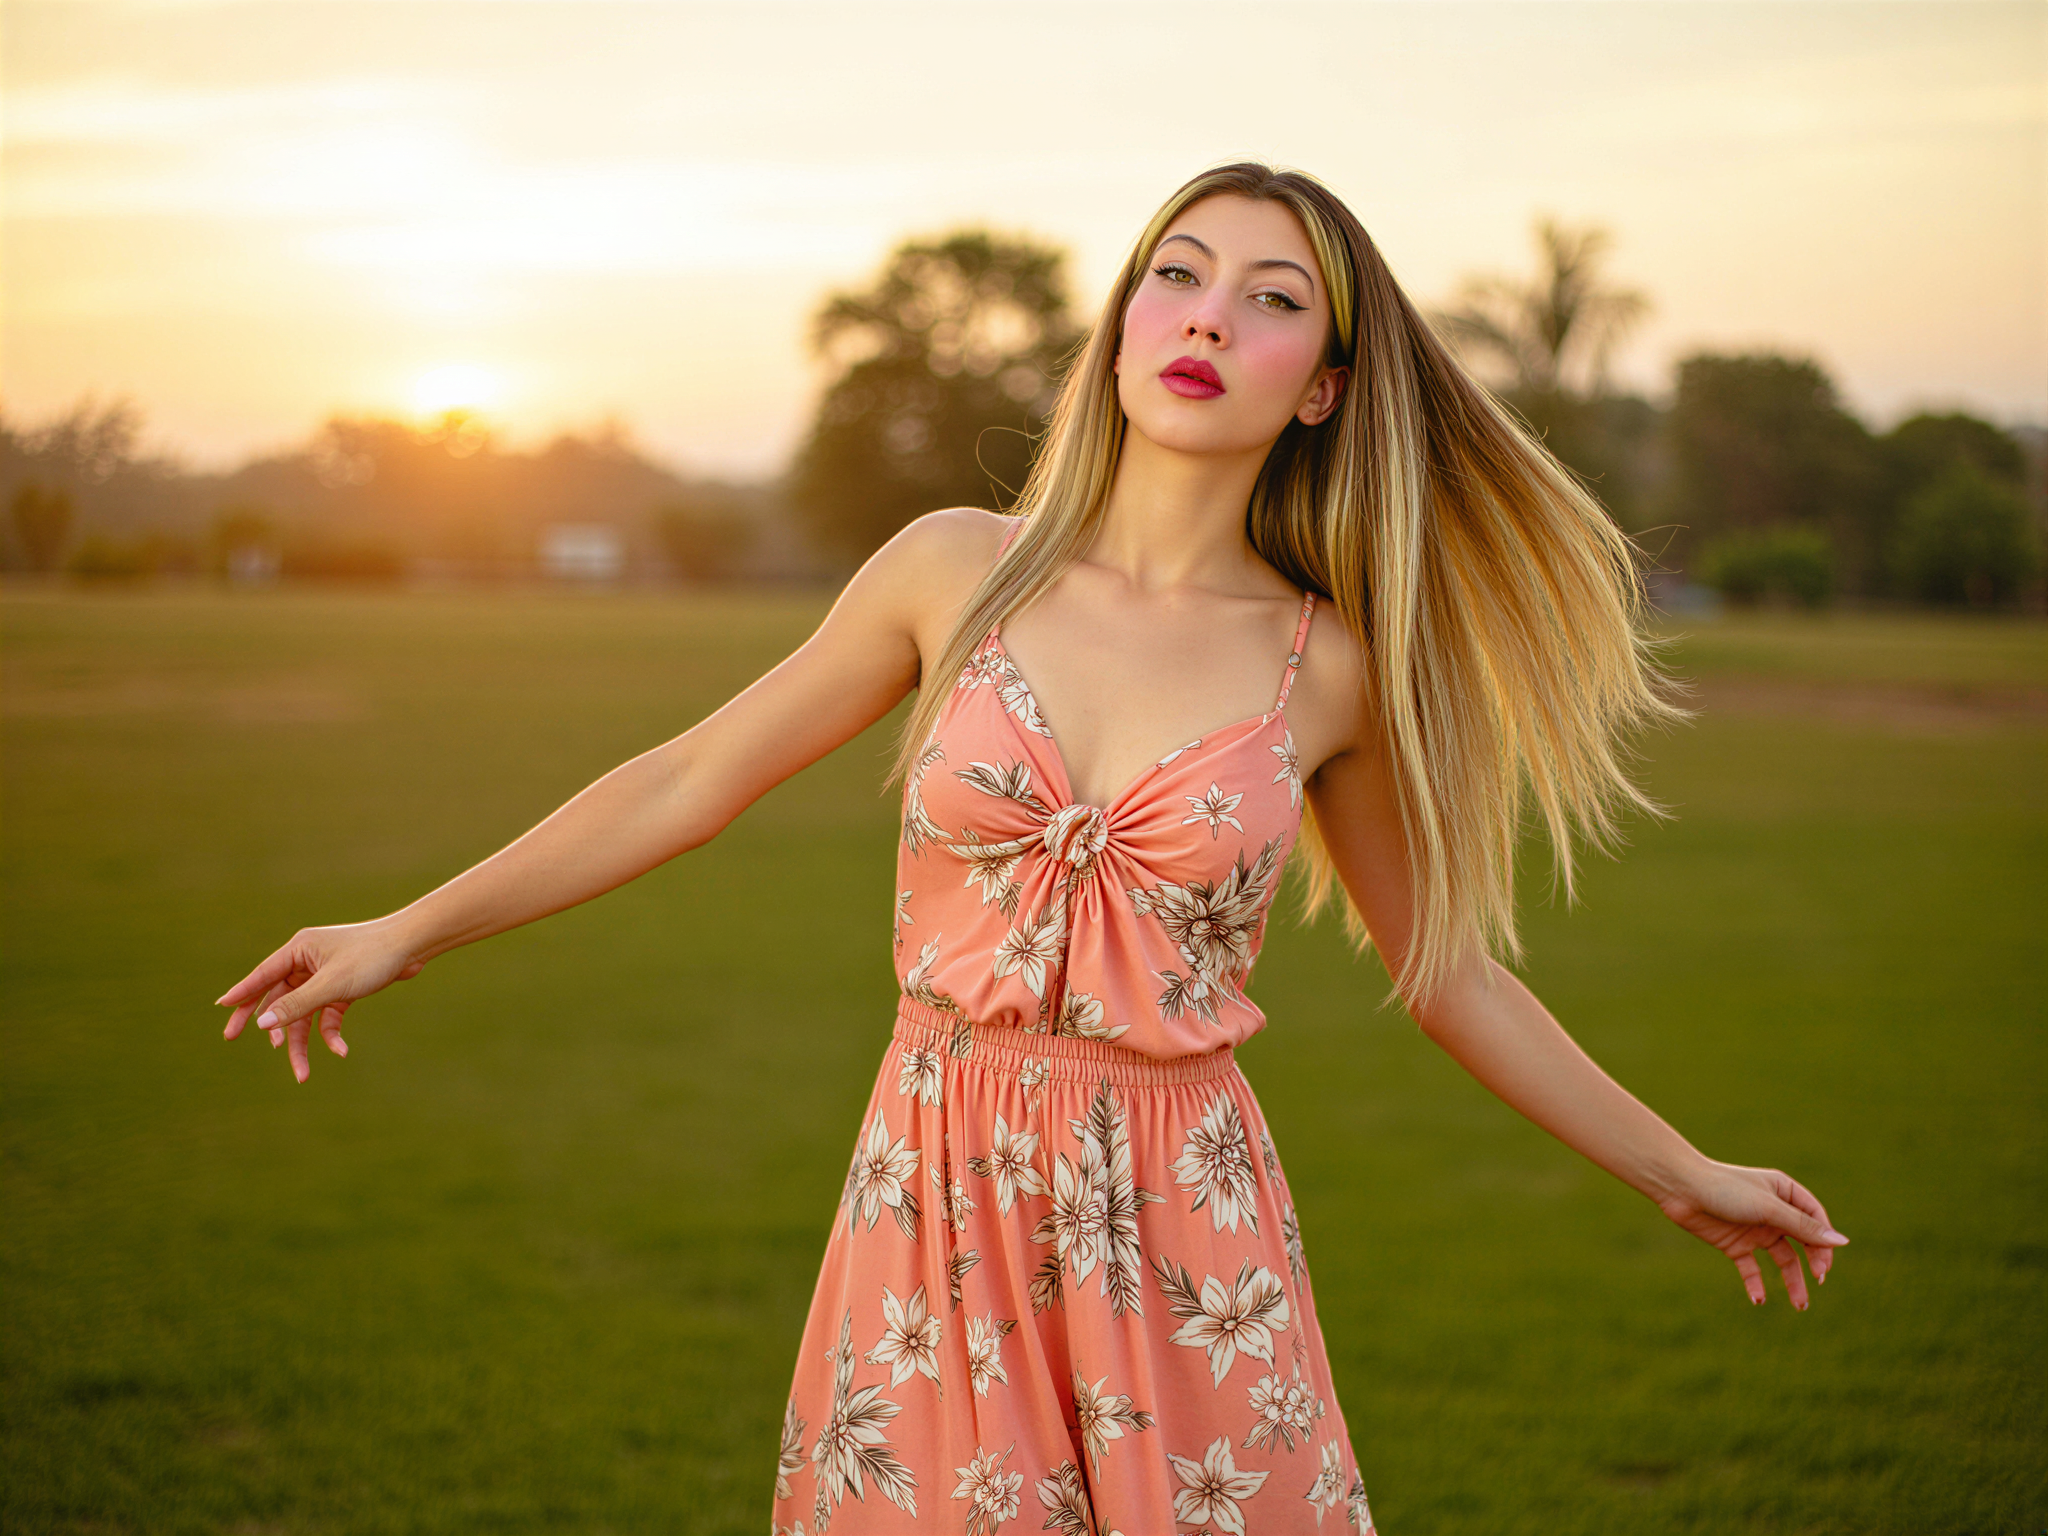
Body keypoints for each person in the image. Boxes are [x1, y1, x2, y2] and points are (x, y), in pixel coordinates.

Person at [217, 162, 1846, 1535]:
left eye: (1276, 299)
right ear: (1126, 321)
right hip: (932, 1196)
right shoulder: (955, 571)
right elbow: (690, 776)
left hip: (1189, 1234)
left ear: (1325, 385)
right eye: (1179, 274)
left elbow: (1450, 975)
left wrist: (1680, 1171)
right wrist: (404, 928)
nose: (1212, 314)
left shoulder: (1330, 667)